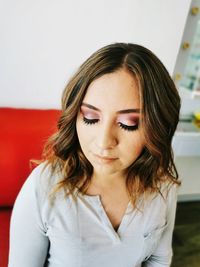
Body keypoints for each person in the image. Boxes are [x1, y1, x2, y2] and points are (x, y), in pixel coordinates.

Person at [8, 43, 181, 267]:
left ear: (157, 126)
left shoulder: (163, 186)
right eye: (90, 117)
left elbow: (158, 259)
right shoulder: (43, 186)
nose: (103, 141)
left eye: (129, 123)